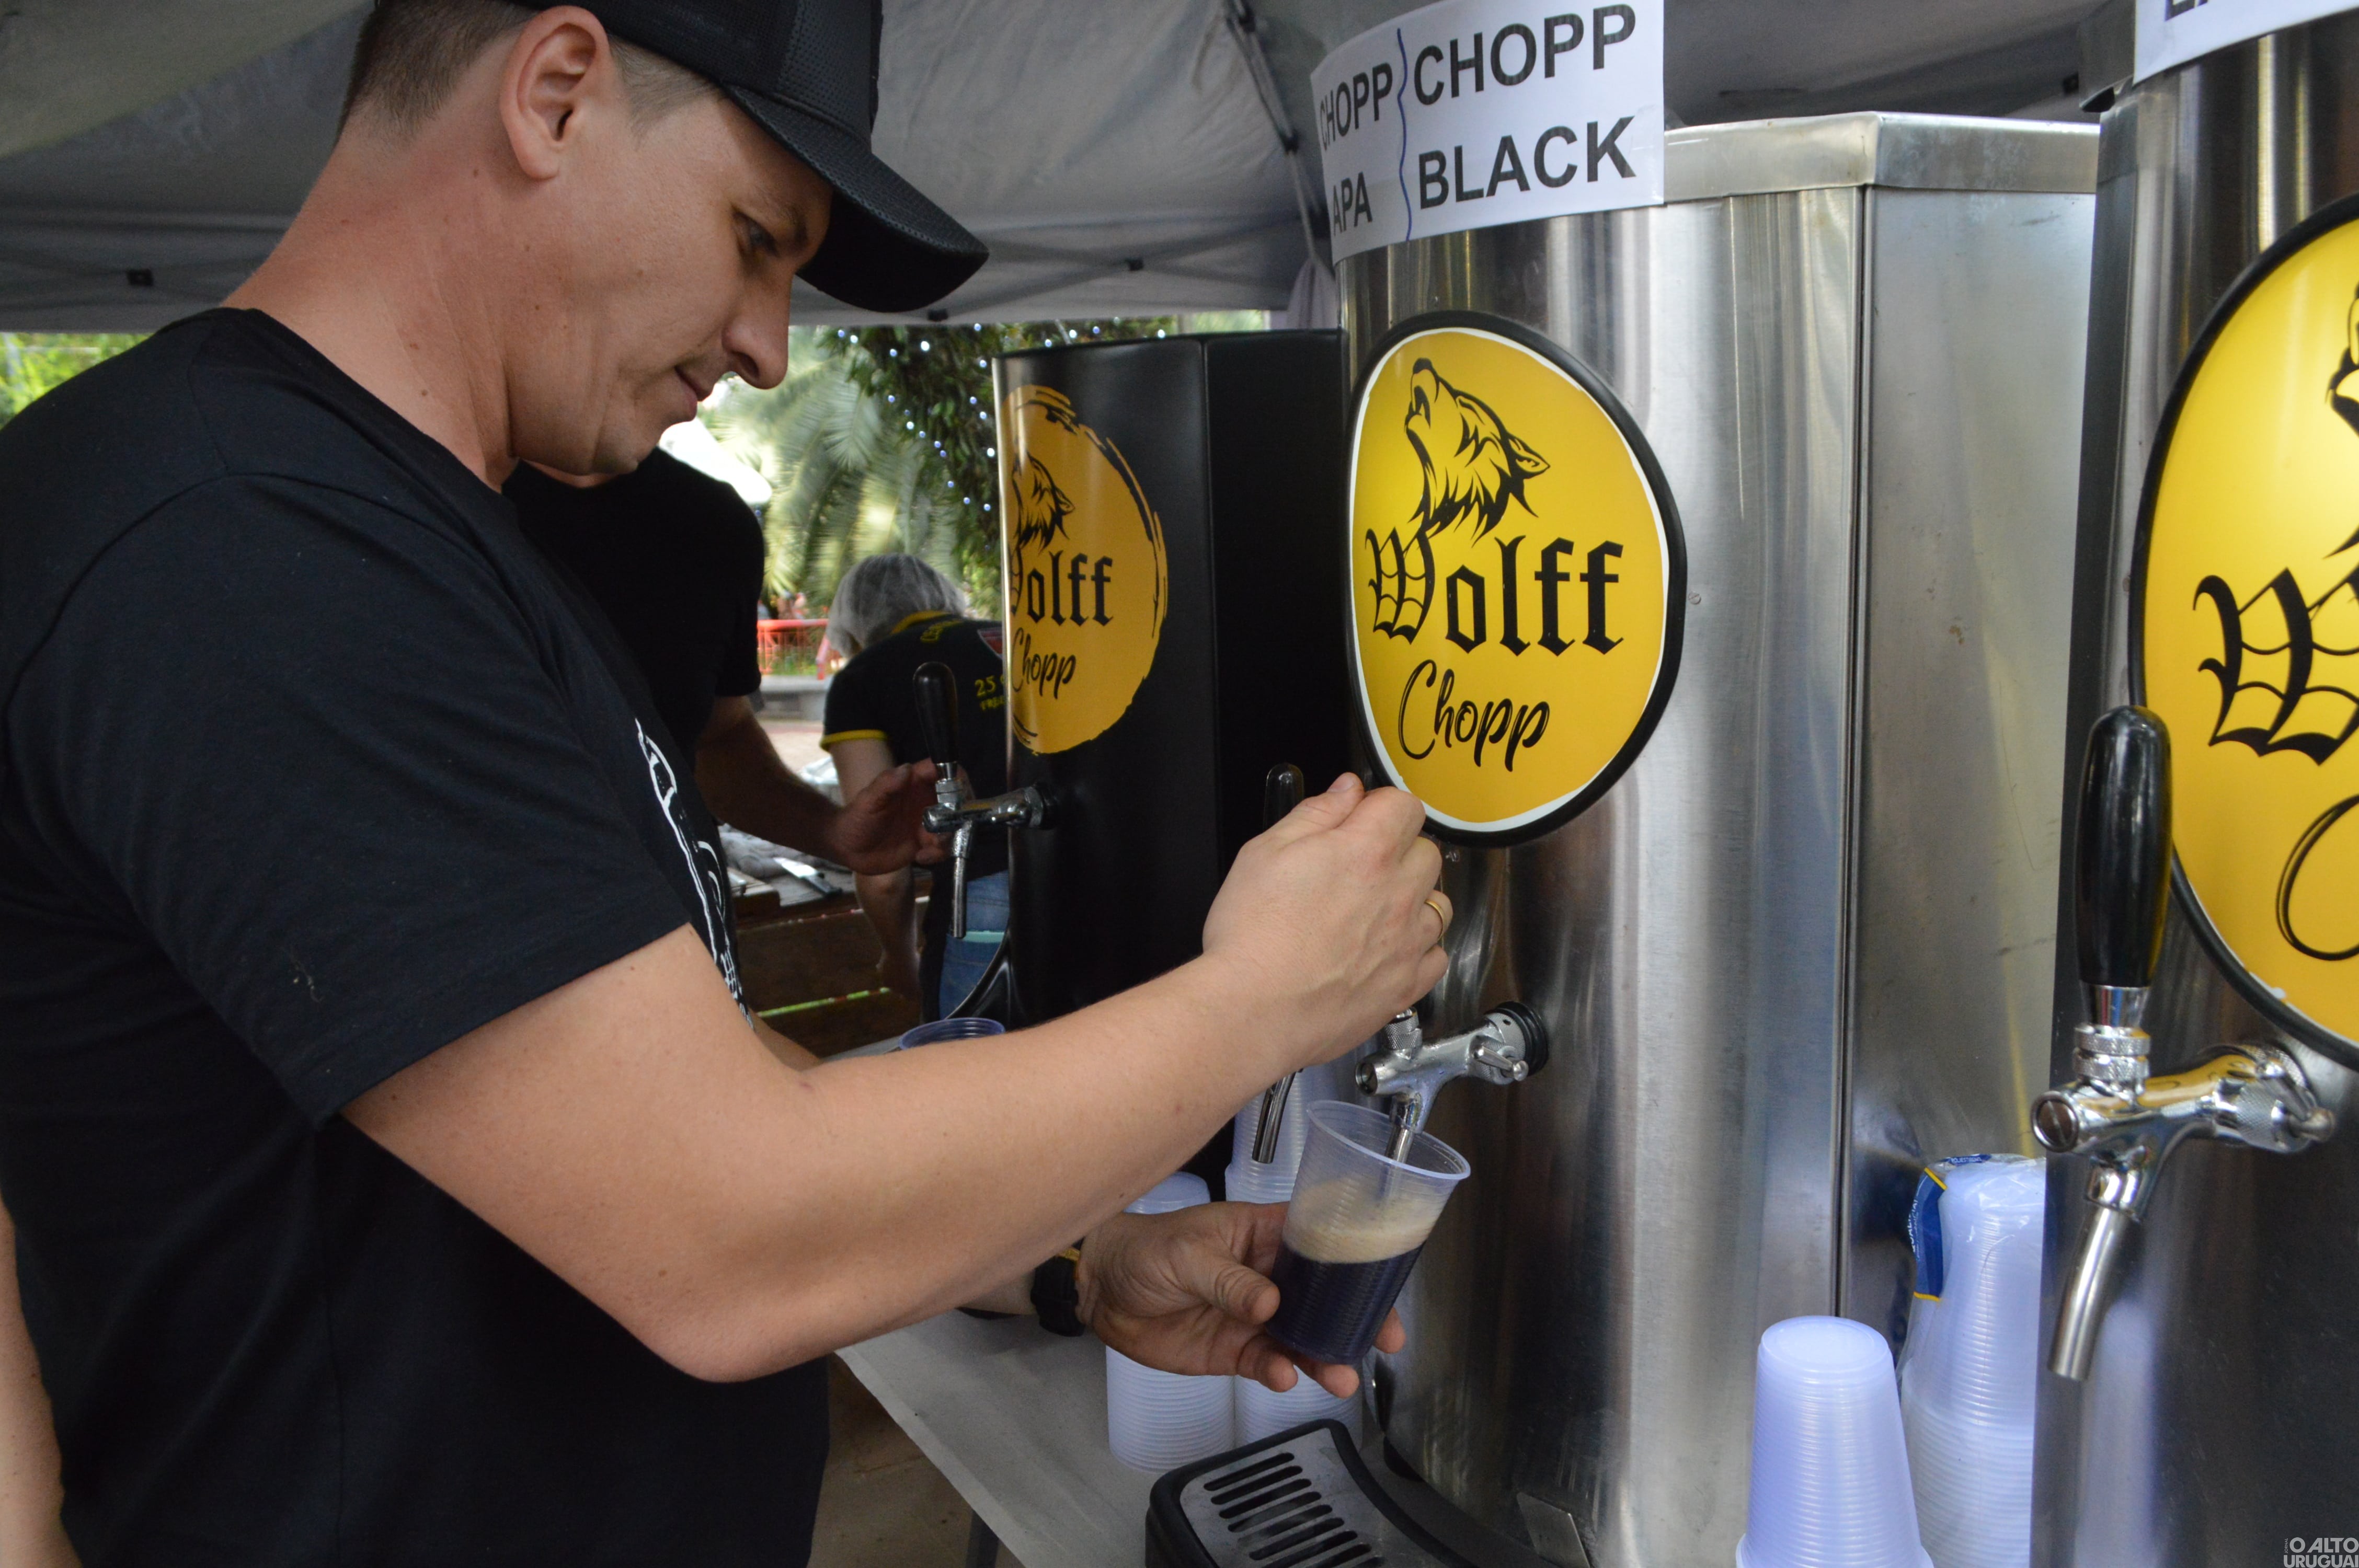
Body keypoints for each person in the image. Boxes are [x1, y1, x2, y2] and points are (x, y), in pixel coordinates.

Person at [0, 5, 1451, 1565]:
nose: (769, 342)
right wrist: (1258, 1001)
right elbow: (724, 1234)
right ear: (555, 95)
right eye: (756, 240)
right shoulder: (245, 546)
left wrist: (1073, 1260)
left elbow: (674, 1082)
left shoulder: (426, 537)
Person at [507, 451, 930, 874]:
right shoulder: (455, 513)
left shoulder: (710, 522)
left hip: (678, 907)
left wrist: (831, 832)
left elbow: (718, 735)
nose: (765, 379)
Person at [821, 552, 1006, 1015]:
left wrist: (899, 957)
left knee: (972, 1067)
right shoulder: (1016, 637)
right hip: (1087, 878)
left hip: (978, 902)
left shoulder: (862, 680)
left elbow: (882, 867)